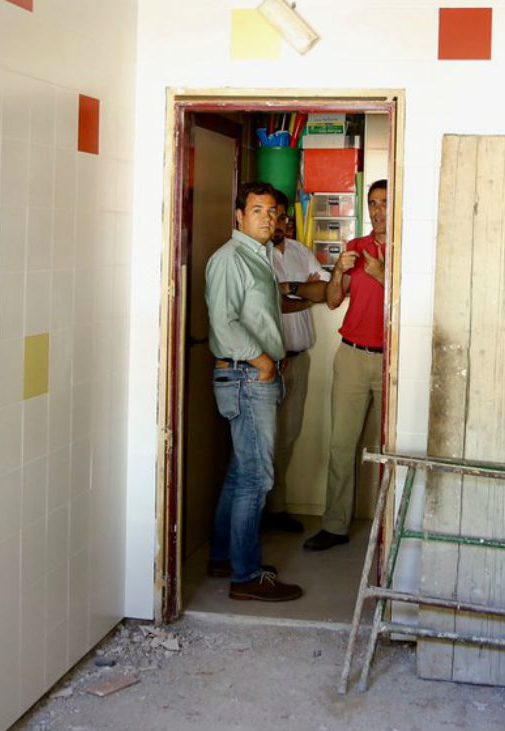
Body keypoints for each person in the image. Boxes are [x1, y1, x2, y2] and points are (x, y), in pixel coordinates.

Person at [204, 181, 304, 601]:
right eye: (257, 210)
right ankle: (245, 577)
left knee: (240, 472)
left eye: (272, 212)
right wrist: (262, 361)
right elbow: (225, 323)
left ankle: (225, 556)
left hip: (253, 375)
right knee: (255, 477)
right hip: (247, 375)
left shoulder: (258, 257)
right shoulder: (230, 259)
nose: (266, 218)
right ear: (239, 217)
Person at [305, 180, 388, 551]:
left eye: (384, 203)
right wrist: (339, 269)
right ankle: (335, 526)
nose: (376, 210)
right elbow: (333, 300)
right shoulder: (355, 248)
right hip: (353, 356)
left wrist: (382, 275)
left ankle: (392, 529)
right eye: (372, 203)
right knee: (341, 445)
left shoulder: (408, 248)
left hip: (392, 362)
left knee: (396, 447)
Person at [264, 187, 328, 533]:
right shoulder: (256, 257)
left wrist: (291, 290)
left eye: (282, 216)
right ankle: (255, 511)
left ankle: (275, 509)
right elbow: (274, 305)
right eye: (270, 215)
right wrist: (302, 294)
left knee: (288, 437)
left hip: (298, 359)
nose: (277, 223)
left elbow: (326, 292)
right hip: (268, 362)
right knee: (263, 440)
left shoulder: (300, 252)